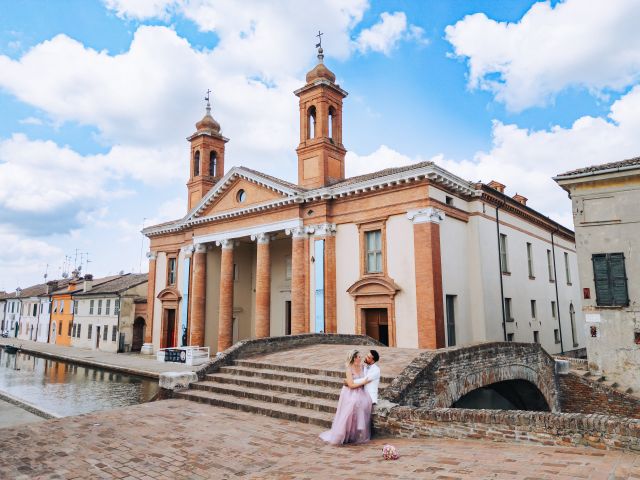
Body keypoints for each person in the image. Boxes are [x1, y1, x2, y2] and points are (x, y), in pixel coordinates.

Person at [319, 349, 372, 445]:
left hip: (361, 391)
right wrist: (363, 382)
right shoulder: (349, 369)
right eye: (359, 357)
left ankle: (357, 431)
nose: (360, 358)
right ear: (354, 358)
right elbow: (351, 385)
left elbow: (370, 375)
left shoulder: (363, 367)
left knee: (364, 403)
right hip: (350, 392)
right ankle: (345, 433)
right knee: (353, 404)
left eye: (360, 357)